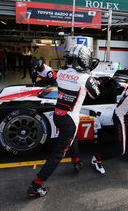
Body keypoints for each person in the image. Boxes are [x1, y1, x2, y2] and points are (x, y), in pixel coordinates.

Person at [27, 44, 100, 198]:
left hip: (58, 115)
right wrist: (90, 74)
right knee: (57, 154)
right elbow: (96, 94)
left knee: (71, 139)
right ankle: (36, 185)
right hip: (69, 120)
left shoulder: (61, 73)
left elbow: (70, 75)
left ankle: (76, 161)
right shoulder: (86, 79)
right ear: (83, 60)